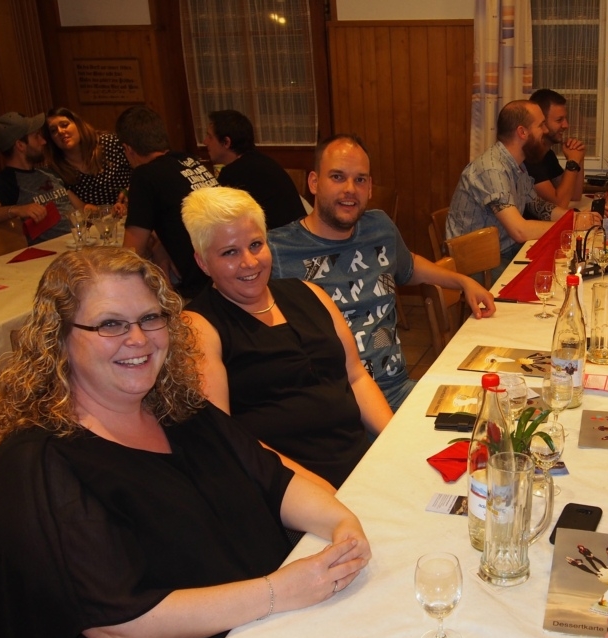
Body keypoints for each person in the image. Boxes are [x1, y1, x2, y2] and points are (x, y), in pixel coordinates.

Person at [0, 246, 370, 638]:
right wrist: (278, 591)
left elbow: (273, 478)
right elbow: (118, 624)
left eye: (150, 318)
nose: (137, 339)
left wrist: (342, 521)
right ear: (59, 338)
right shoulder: (41, 463)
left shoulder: (178, 409)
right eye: (110, 324)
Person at [183, 186, 392, 491]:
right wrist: (321, 493)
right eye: (230, 252)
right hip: (288, 488)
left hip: (360, 465)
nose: (249, 262)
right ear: (203, 262)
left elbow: (356, 377)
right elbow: (226, 437)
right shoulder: (199, 327)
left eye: (256, 245)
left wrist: (393, 441)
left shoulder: (310, 293)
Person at [270, 134, 496, 411]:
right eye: (338, 177)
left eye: (360, 179)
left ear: (370, 188)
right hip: (334, 407)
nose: (350, 189)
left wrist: (462, 281)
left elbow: (408, 265)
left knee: (489, 411)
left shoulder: (379, 227)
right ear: (314, 182)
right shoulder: (276, 250)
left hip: (397, 390)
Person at [446, 100, 569, 275]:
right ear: (522, 132)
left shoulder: (517, 165)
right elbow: (520, 231)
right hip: (476, 264)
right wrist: (569, 226)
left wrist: (576, 218)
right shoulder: (492, 169)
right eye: (541, 125)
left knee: (561, 265)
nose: (546, 130)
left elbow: (538, 206)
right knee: (546, 279)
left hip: (504, 251)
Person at [117, 105, 219, 300]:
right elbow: (177, 216)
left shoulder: (145, 175)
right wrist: (161, 245)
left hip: (201, 289)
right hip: (223, 272)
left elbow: (131, 253)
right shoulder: (189, 160)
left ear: (128, 149)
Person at [0, 111, 79, 244]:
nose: (44, 141)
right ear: (20, 145)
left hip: (80, 239)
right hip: (55, 251)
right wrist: (17, 210)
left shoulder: (48, 173)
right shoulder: (6, 181)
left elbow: (81, 208)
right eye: (36, 136)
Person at [204, 109, 305, 230]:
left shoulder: (235, 173)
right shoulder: (258, 160)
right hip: (298, 231)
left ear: (226, 142)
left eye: (210, 137)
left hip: (282, 238)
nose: (205, 142)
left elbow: (222, 221)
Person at [44, 106, 131, 215]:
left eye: (64, 125)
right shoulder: (55, 169)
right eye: (53, 131)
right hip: (97, 222)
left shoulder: (110, 143)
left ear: (78, 124)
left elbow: (143, 168)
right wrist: (109, 212)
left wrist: (131, 189)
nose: (60, 131)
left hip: (134, 211)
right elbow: (82, 208)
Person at [527, 88, 586, 208]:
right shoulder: (529, 158)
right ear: (542, 122)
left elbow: (574, 195)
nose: (566, 125)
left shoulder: (548, 155)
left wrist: (578, 157)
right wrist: (573, 162)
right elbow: (560, 203)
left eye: (565, 119)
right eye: (559, 120)